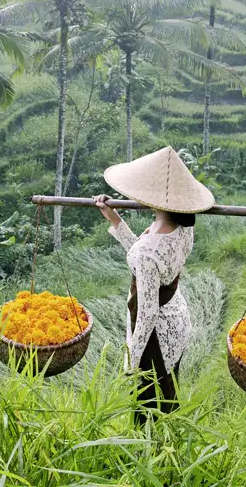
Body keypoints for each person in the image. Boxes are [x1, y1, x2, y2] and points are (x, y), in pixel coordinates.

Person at [93, 146, 215, 425]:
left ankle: (152, 454)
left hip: (157, 333)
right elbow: (145, 258)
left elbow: (146, 312)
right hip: (177, 320)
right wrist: (115, 219)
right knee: (166, 389)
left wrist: (131, 362)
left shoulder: (149, 249)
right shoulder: (184, 228)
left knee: (149, 407)